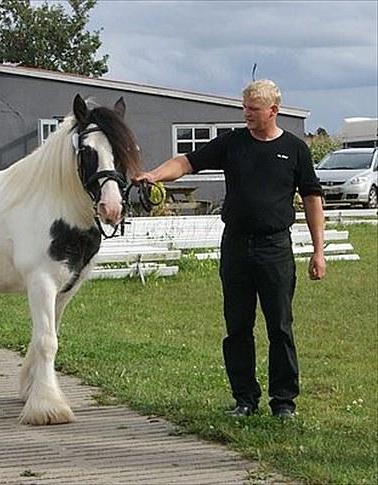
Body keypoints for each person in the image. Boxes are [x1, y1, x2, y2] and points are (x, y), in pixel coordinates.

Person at [133, 80, 325, 420]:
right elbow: (186, 162)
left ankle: (283, 402)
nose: (246, 114)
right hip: (236, 245)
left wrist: (317, 251)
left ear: (273, 111)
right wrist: (155, 176)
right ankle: (244, 399)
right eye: (244, 107)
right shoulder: (232, 144)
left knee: (280, 326)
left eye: (253, 109)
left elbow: (312, 198)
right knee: (237, 326)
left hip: (275, 247)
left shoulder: (295, 150)